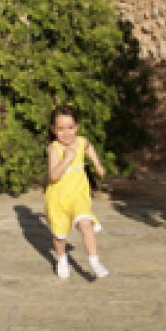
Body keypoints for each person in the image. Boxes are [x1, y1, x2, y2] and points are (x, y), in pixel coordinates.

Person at [44, 104, 109, 279]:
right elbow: (53, 176)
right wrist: (67, 159)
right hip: (58, 198)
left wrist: (97, 164)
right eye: (61, 129)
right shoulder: (54, 148)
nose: (66, 133)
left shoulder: (81, 141)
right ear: (53, 129)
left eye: (70, 128)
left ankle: (94, 261)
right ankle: (61, 257)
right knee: (59, 235)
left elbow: (89, 147)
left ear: (77, 127)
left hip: (78, 194)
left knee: (86, 223)